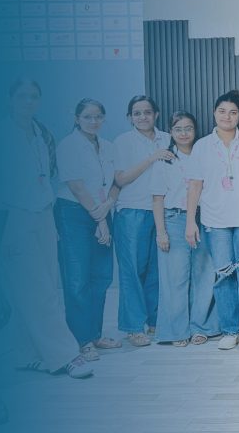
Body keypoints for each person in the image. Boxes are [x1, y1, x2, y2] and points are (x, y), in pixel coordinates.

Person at [0, 80, 93, 379]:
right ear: (10, 98)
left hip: (43, 214)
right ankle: (66, 355)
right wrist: (0, 232)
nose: (28, 101)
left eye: (34, 96)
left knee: (46, 286)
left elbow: (45, 176)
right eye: (22, 96)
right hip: (13, 217)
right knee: (38, 291)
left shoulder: (41, 133)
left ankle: (27, 354)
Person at [185, 91, 239, 356]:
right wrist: (190, 222)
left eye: (233, 112)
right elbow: (195, 186)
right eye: (222, 111)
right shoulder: (202, 146)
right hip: (216, 222)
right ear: (214, 113)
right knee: (223, 276)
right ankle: (230, 331)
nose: (227, 116)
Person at [54, 98, 122, 359]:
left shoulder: (107, 146)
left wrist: (107, 208)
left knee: (101, 276)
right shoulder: (68, 146)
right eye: (87, 117)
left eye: (98, 117)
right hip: (75, 213)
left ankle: (95, 334)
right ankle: (81, 340)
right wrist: (100, 219)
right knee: (77, 279)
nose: (94, 121)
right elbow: (77, 187)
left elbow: (116, 181)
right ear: (77, 119)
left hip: (102, 210)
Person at [151, 111, 219, 347]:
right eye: (178, 129)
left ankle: (202, 327)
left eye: (188, 128)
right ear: (171, 132)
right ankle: (176, 331)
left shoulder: (205, 155)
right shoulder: (165, 160)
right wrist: (161, 232)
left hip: (204, 217)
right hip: (174, 219)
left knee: (204, 274)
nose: (183, 133)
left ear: (195, 130)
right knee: (175, 278)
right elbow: (157, 199)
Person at [110, 96, 170, 347]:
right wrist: (152, 158)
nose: (143, 117)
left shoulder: (167, 138)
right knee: (132, 271)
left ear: (156, 114)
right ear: (129, 118)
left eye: (147, 112)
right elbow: (121, 179)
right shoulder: (123, 142)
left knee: (157, 270)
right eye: (137, 113)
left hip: (161, 210)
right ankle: (134, 327)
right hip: (132, 211)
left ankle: (155, 320)